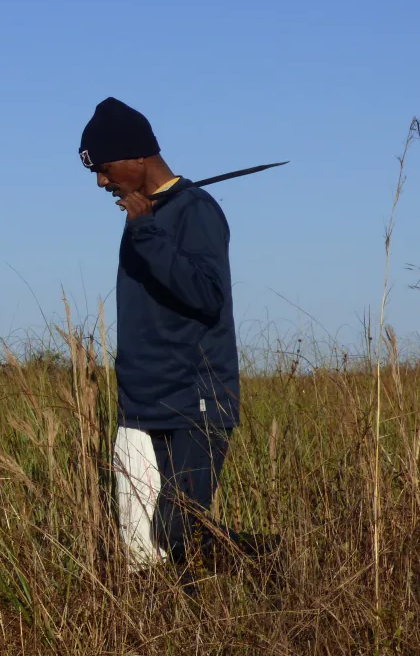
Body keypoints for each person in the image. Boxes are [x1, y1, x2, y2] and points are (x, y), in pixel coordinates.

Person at [79, 97, 272, 570]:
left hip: (195, 402)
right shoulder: (141, 216)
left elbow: (206, 295)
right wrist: (142, 225)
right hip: (139, 405)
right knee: (142, 554)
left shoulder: (195, 211)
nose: (102, 182)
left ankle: (268, 563)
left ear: (137, 157)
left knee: (175, 526)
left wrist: (146, 231)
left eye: (104, 169)